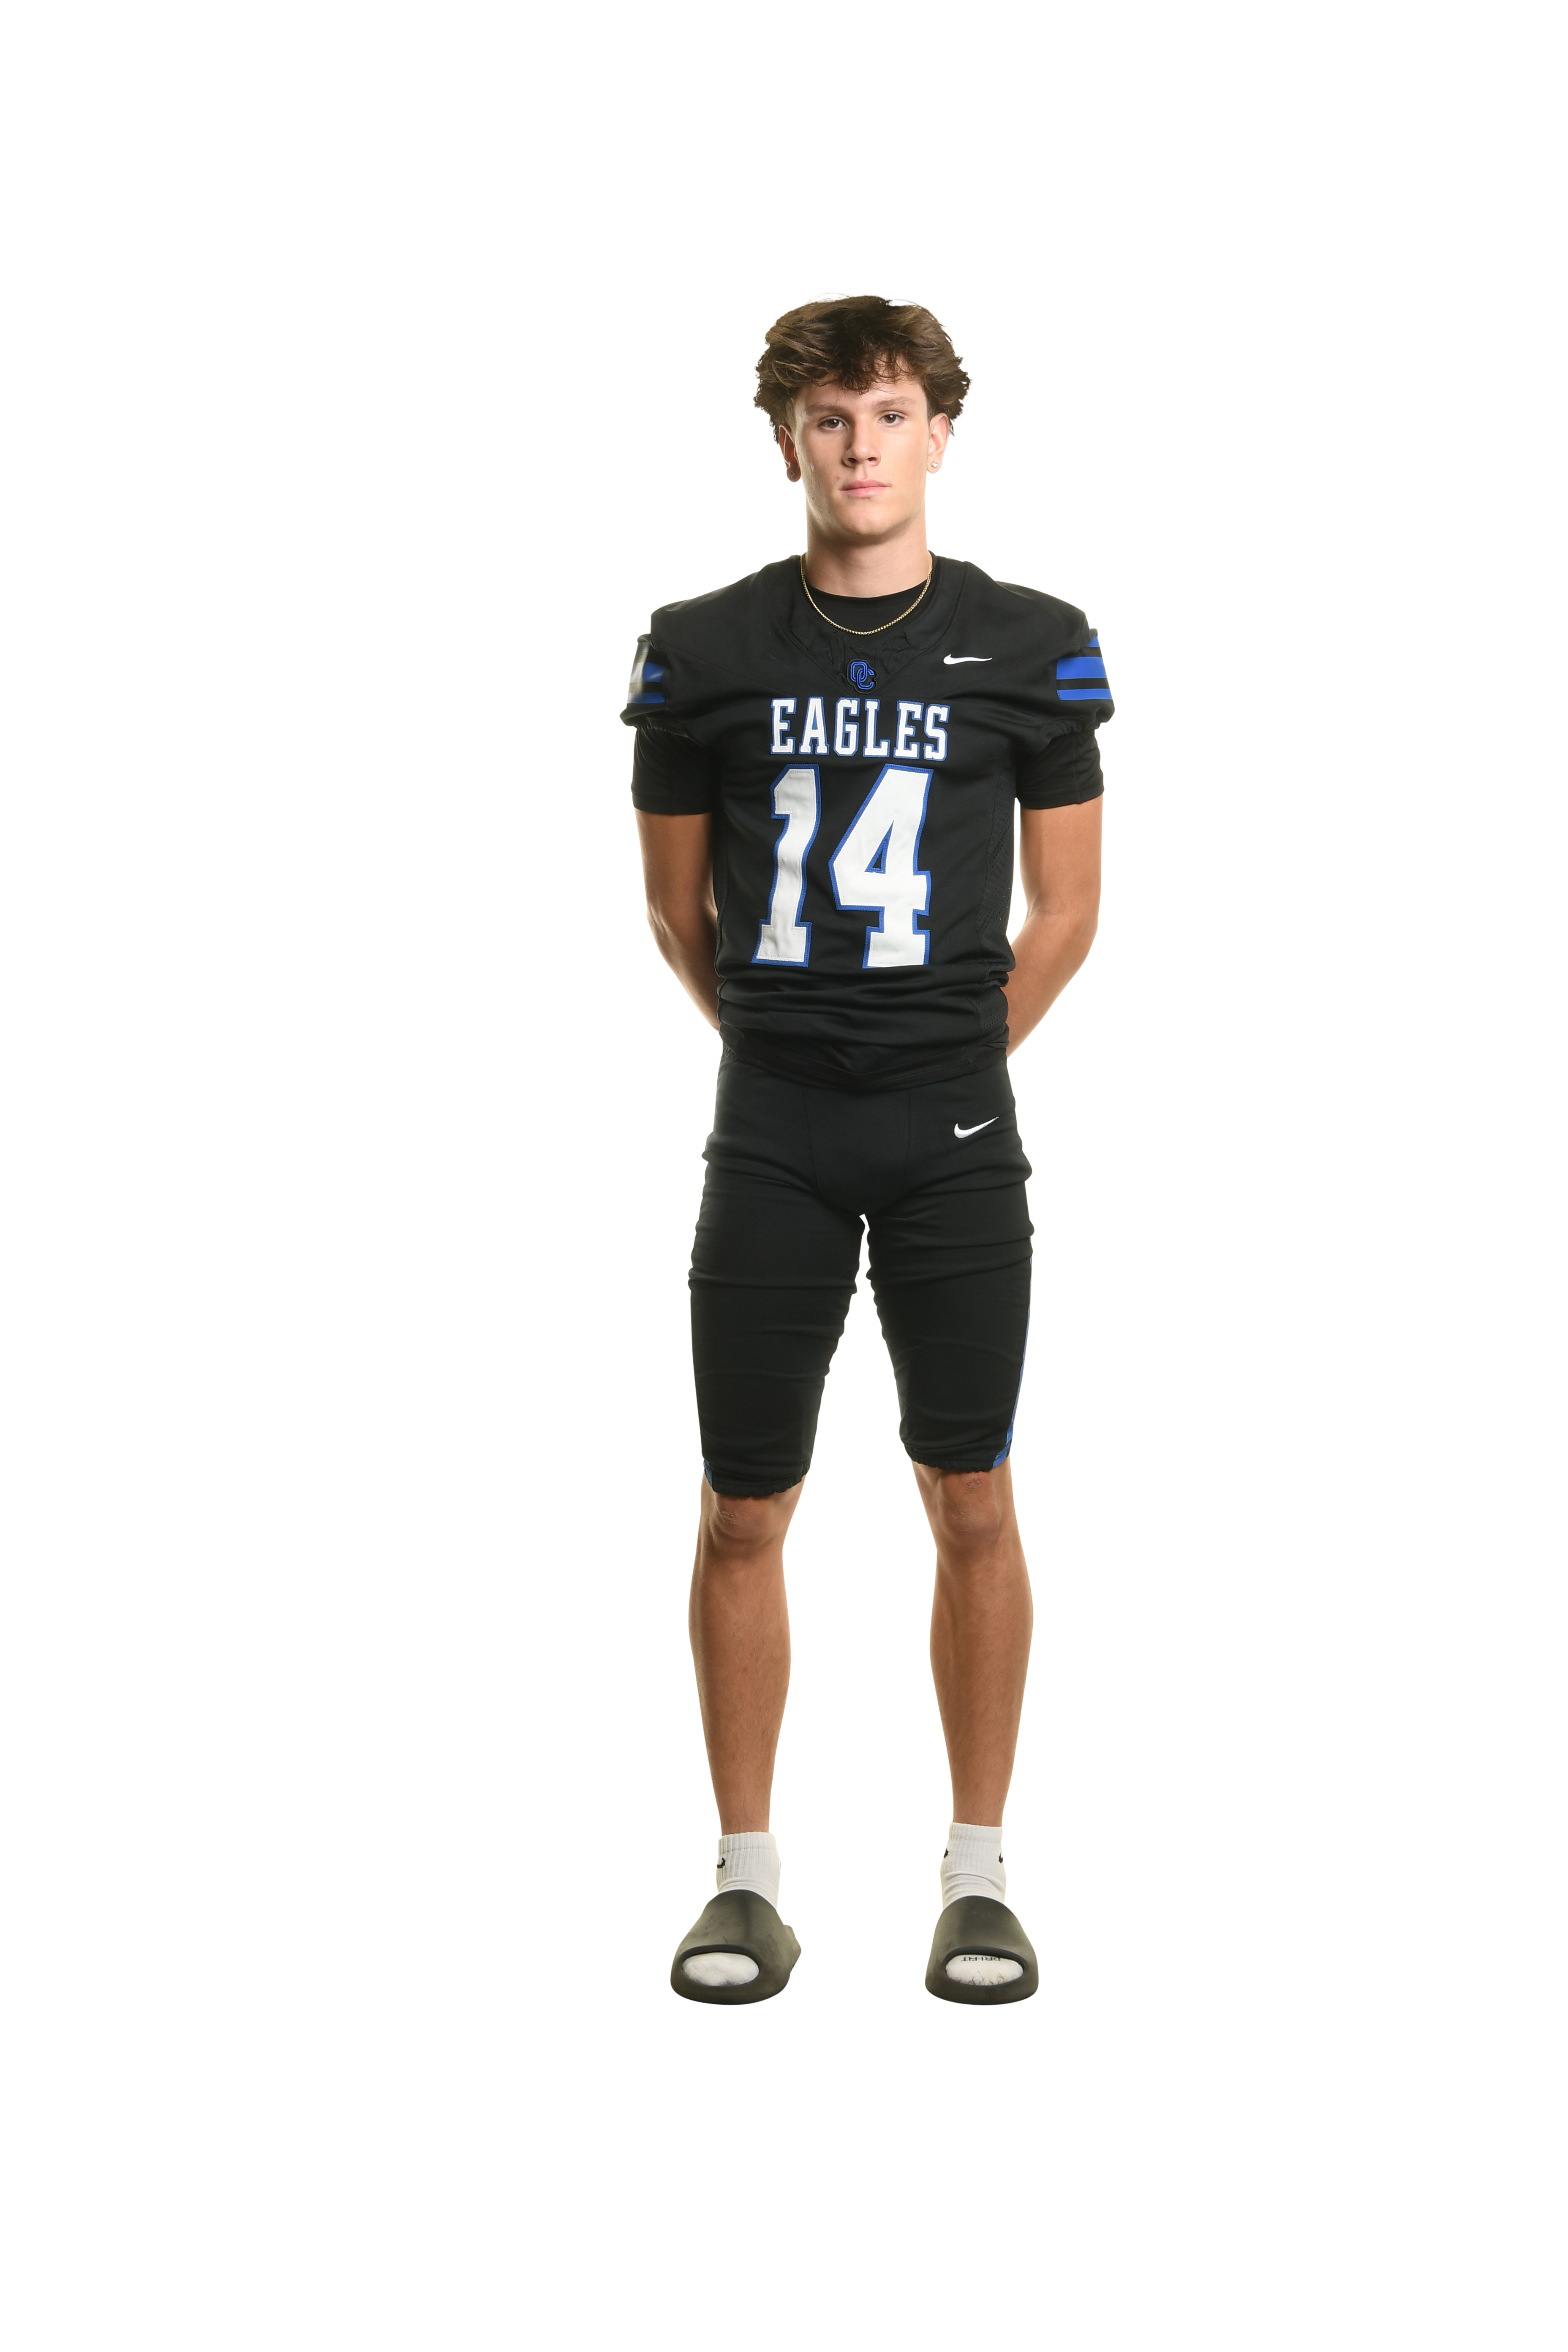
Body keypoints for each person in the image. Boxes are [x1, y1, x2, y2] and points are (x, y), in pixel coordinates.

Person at [623, 294, 1111, 2004]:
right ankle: (746, 1883)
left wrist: (941, 1068)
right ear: (785, 441)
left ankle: (977, 1880)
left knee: (970, 1491)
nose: (859, 448)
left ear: (943, 432)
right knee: (743, 1503)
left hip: (955, 1134)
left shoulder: (1032, 641)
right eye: (828, 418)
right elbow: (675, 912)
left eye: (891, 413)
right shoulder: (702, 645)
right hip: (770, 1128)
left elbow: (1069, 911)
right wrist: (794, 1057)